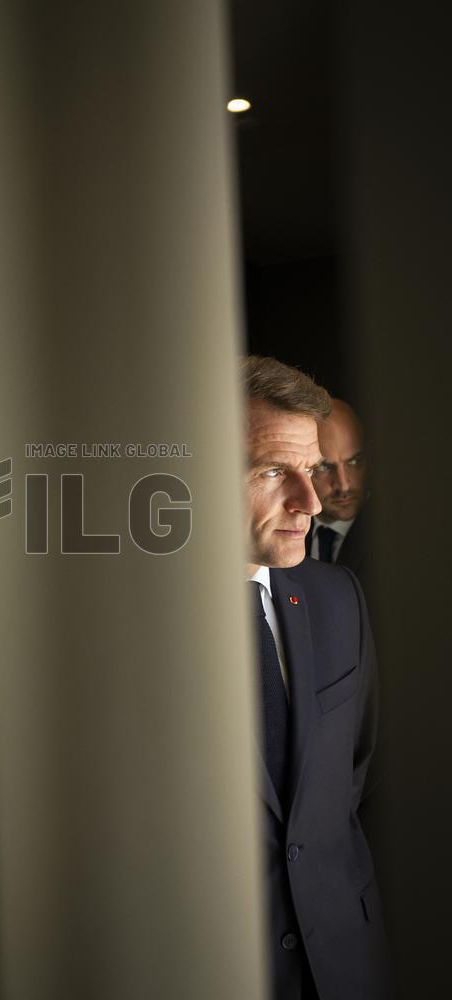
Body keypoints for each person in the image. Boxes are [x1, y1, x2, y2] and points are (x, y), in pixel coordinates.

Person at [242, 356, 391, 999]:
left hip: (344, 966)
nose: (311, 501)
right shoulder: (137, 636)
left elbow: (350, 780)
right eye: (276, 471)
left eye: (311, 470)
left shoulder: (338, 597)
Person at [306, 399, 367, 580]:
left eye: (354, 462)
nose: (343, 485)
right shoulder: (283, 529)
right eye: (325, 467)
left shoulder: (393, 536)